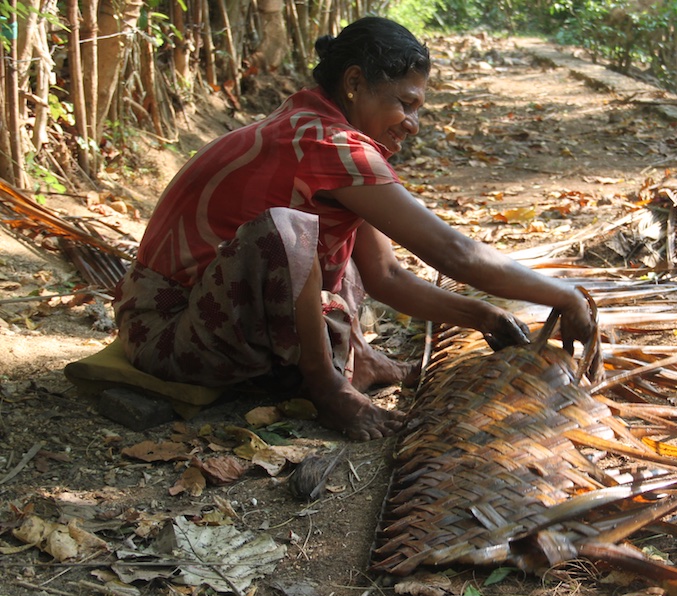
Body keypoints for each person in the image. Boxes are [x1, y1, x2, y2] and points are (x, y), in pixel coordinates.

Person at [113, 16, 596, 441]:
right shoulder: (329, 144)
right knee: (289, 230)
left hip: (190, 319)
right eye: (404, 104)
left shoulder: (313, 129)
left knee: (325, 230)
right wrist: (565, 296)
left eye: (419, 108)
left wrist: (486, 318)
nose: (413, 124)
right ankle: (327, 386)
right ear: (354, 83)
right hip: (170, 336)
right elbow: (456, 254)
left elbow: (386, 275)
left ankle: (359, 360)